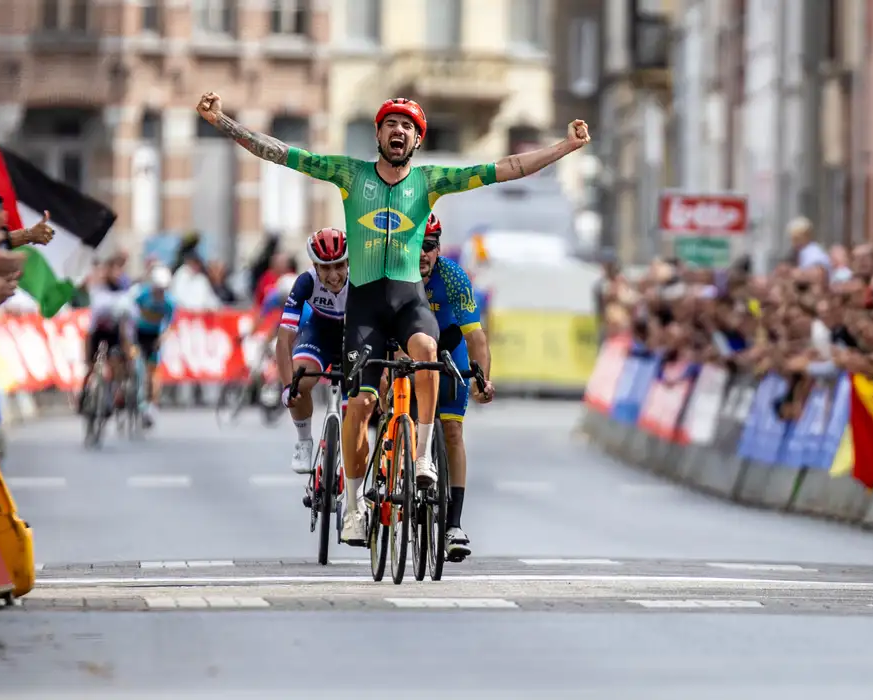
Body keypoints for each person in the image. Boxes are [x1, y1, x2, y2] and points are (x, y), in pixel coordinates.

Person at [197, 91, 591, 545]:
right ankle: (351, 508)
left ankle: (422, 457)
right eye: (390, 125)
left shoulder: (430, 180)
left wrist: (565, 148)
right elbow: (284, 155)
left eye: (408, 127)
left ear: (417, 140)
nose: (398, 132)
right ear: (379, 134)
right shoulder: (351, 174)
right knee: (360, 404)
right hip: (365, 305)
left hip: (408, 301)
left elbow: (505, 169)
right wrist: (223, 121)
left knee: (426, 354)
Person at [417, 213, 494, 559]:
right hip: (408, 346)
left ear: (438, 247)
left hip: (450, 349)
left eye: (429, 246)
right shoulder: (395, 273)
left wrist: (482, 379)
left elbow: (476, 337)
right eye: (415, 245)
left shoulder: (452, 276)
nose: (422, 254)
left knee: (452, 433)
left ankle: (453, 525)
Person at [277, 228, 349, 476]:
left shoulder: (361, 278)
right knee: (299, 380)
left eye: (339, 266)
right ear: (314, 266)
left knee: (361, 404)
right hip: (320, 333)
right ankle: (304, 440)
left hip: (353, 336)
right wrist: (288, 387)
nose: (333, 275)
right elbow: (284, 339)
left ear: (349, 262)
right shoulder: (306, 282)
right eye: (325, 268)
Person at [79, 256, 136, 415]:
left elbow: (128, 320)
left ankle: (111, 394)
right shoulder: (98, 289)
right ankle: (84, 394)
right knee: (90, 366)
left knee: (115, 361)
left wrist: (128, 347)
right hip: (98, 330)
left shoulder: (124, 292)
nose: (116, 274)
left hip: (115, 332)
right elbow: (91, 324)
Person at [132, 265, 176, 427]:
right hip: (138, 333)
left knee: (153, 373)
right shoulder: (143, 295)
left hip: (154, 337)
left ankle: (151, 406)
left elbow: (170, 325)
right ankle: (129, 392)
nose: (160, 294)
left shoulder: (169, 303)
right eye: (158, 290)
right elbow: (131, 311)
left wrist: (162, 338)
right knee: (135, 365)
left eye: (163, 290)